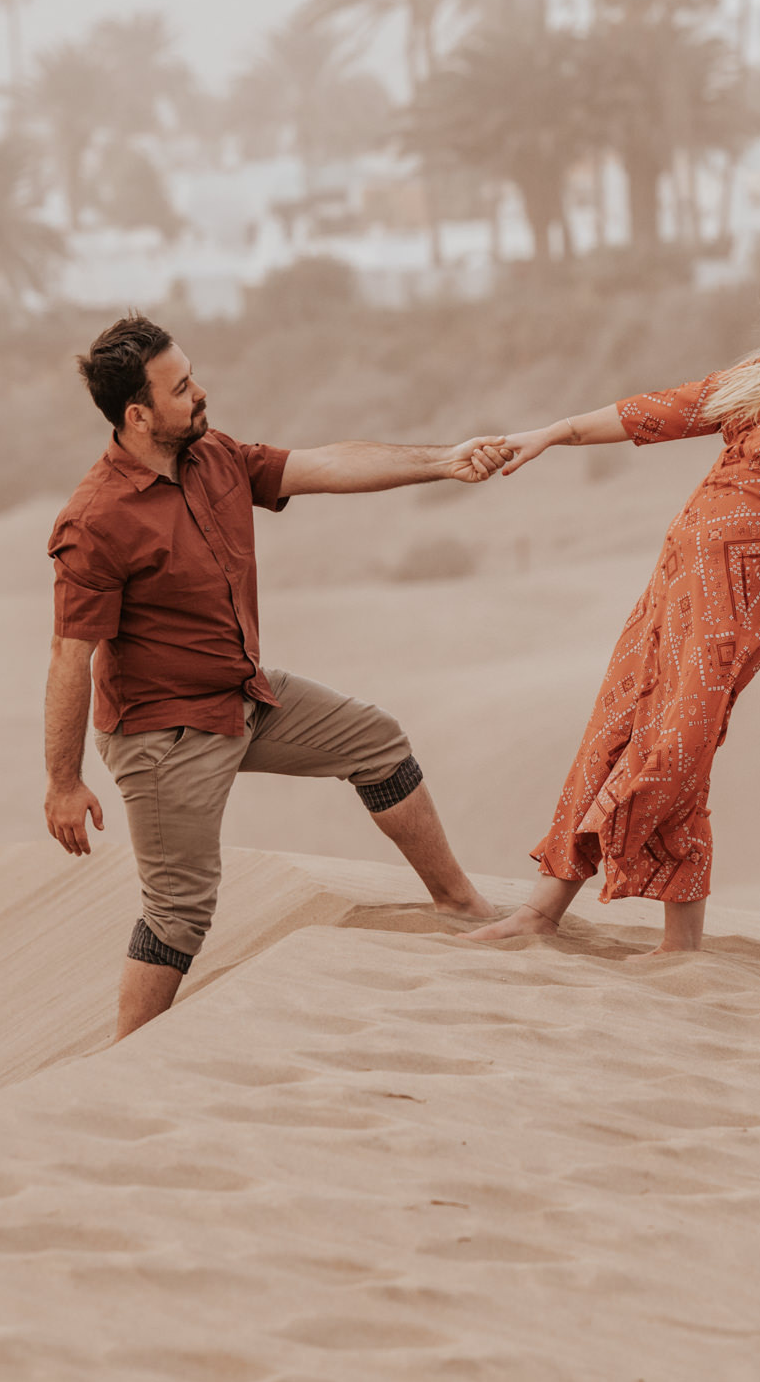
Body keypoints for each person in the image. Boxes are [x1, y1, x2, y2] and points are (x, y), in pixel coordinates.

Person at [46, 314, 508, 1037]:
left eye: (192, 375)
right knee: (180, 914)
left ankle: (460, 905)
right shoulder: (97, 520)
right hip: (165, 736)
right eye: (182, 386)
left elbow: (324, 465)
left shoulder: (213, 457)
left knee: (376, 742)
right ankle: (126, 1058)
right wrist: (63, 783)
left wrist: (444, 460)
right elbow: (70, 657)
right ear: (138, 416)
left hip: (244, 695)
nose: (201, 392)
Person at [465, 238, 760, 957]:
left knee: (676, 751)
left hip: (742, 595)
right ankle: (544, 913)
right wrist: (551, 433)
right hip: (674, 581)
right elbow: (664, 411)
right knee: (616, 724)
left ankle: (679, 950)